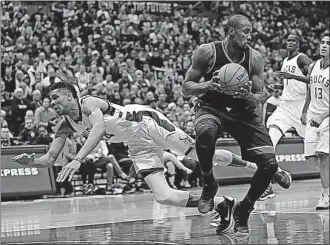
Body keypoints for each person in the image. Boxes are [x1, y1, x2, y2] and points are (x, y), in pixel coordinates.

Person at [12, 82, 289, 233]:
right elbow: (50, 157)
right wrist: (33, 162)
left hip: (146, 122)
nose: (53, 102)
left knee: (199, 154)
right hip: (135, 142)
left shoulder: (89, 104)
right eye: (51, 99)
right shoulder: (63, 125)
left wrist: (77, 159)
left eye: (57, 97)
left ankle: (260, 167)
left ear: (73, 96)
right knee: (164, 196)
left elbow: (97, 128)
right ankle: (224, 204)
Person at [182, 14, 283, 235]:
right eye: (245, 31)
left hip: (242, 112)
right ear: (231, 32)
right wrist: (210, 85)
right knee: (205, 132)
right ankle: (209, 183)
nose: (249, 36)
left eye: (250, 32)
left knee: (269, 165)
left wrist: (248, 95)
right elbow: (186, 88)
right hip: (212, 107)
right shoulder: (207, 52)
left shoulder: (254, 58)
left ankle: (243, 209)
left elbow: (259, 97)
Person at [278, 31, 329, 210]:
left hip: (326, 116)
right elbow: (310, 90)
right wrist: (306, 110)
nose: (323, 45)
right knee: (310, 158)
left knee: (323, 156)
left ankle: (325, 196)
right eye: (322, 42)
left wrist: (323, 116)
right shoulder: (314, 66)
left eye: (327, 43)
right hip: (312, 115)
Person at [260, 32, 312, 200]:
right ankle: (267, 185)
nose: (290, 42)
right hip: (285, 107)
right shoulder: (285, 61)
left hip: (301, 107)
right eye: (288, 40)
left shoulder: (302, 59)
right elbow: (288, 85)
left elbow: (315, 79)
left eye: (293, 40)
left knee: (318, 148)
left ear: (298, 44)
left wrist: (292, 76)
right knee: (268, 143)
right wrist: (276, 86)